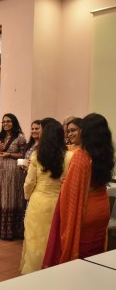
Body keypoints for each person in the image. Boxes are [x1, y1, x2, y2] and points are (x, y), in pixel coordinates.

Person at [43, 113, 115, 266]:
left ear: (86, 132)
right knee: (95, 253)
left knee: (81, 256)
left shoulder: (81, 156)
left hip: (86, 209)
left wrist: (66, 183)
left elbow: (72, 191)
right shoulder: (106, 154)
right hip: (102, 207)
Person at [20, 120, 73, 274]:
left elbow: (29, 182)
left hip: (38, 201)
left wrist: (28, 196)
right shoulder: (70, 156)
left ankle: (32, 271)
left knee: (34, 239)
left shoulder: (37, 155)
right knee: (54, 239)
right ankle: (51, 271)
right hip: (59, 202)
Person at [0, 113, 26, 240]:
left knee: (10, 195)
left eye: (8, 121)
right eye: (3, 122)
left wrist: (9, 154)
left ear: (14, 123)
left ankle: (10, 229)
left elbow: (23, 154)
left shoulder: (20, 137)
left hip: (13, 170)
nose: (5, 124)